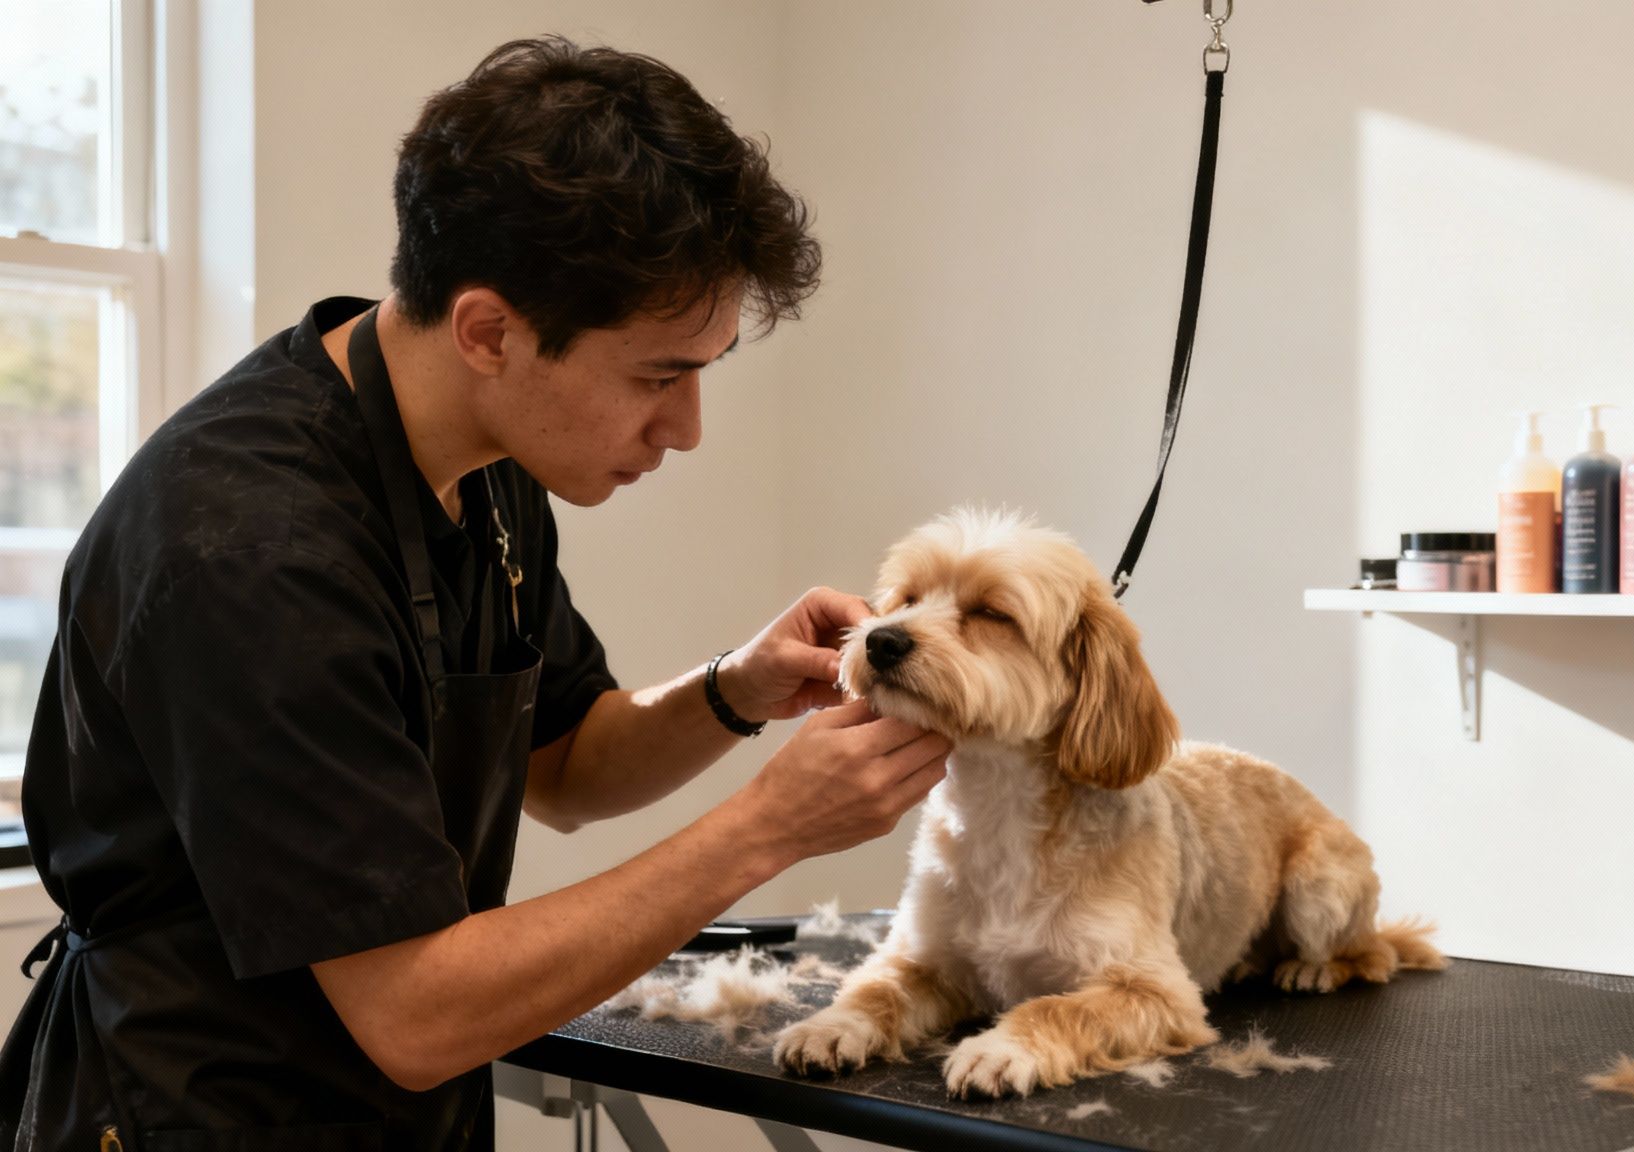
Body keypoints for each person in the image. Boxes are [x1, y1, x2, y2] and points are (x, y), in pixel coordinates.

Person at [0, 36, 951, 1149]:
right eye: (658, 376)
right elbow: (414, 1011)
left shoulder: (485, 466)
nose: (685, 430)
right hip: (198, 1112)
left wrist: (733, 691)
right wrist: (770, 829)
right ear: (490, 331)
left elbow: (565, 766)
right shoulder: (250, 551)